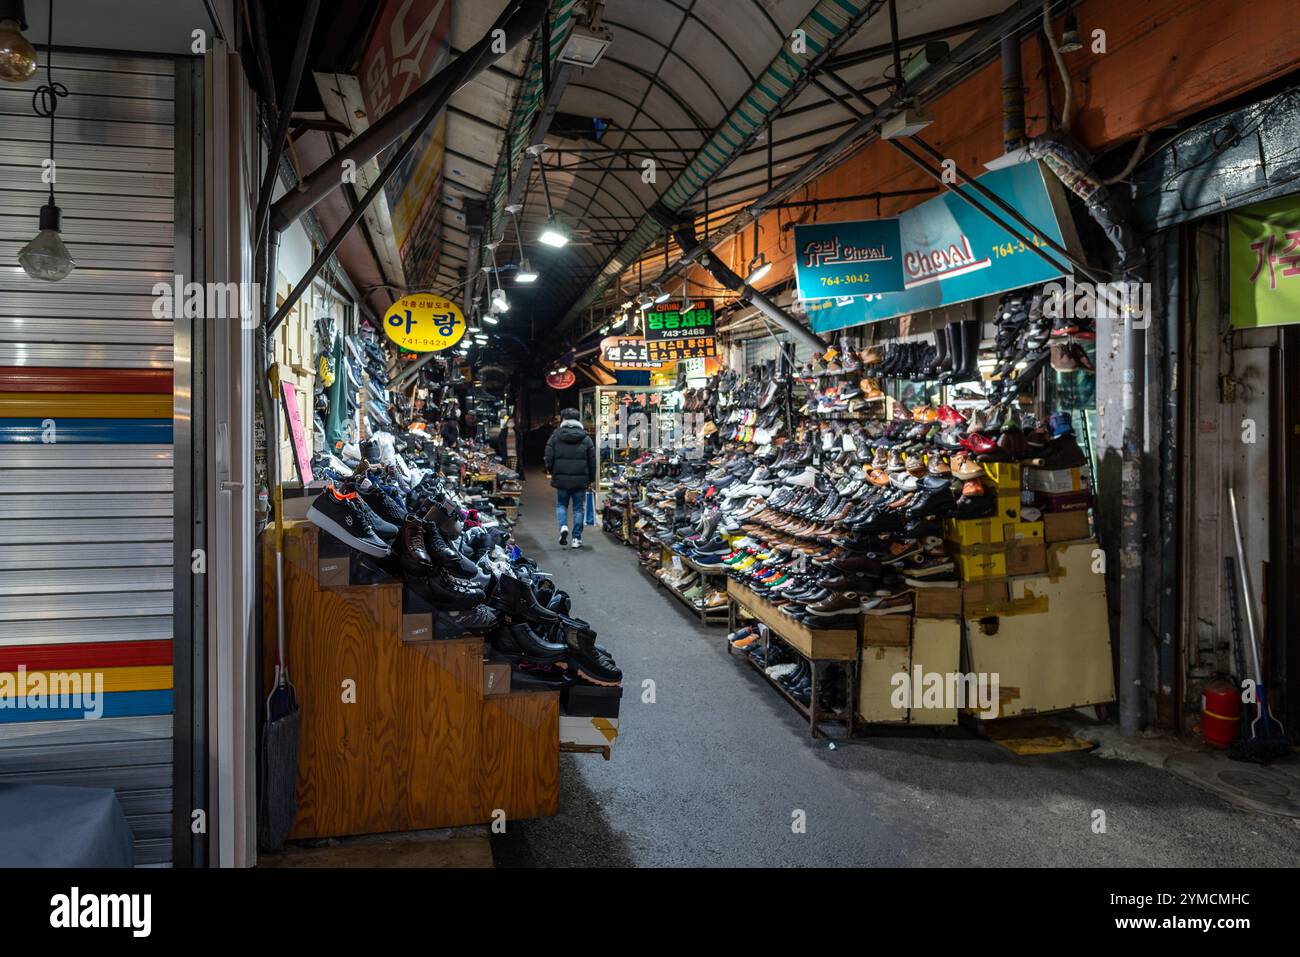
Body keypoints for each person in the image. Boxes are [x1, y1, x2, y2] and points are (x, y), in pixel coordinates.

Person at [544, 407, 595, 549]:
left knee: (561, 505)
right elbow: (592, 460)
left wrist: (550, 470)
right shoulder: (586, 438)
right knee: (578, 508)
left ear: (563, 419)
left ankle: (563, 527)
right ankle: (576, 539)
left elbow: (548, 456)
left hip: (561, 479)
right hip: (580, 480)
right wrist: (591, 478)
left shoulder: (555, 436)